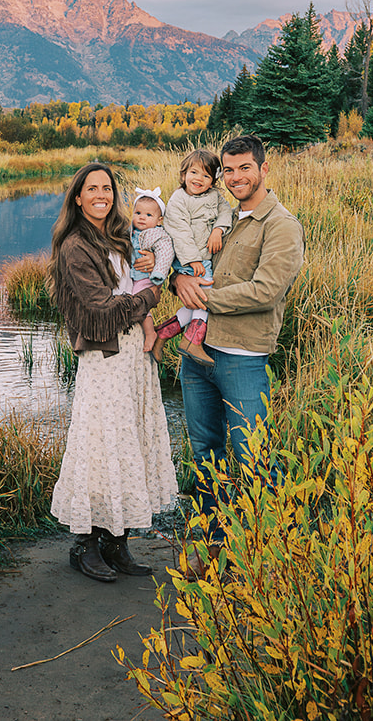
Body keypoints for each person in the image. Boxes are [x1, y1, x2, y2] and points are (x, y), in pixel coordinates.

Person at [170, 135, 304, 569]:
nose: (236, 177)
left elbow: (266, 291)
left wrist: (202, 299)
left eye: (245, 167)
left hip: (243, 358)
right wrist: (177, 281)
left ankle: (265, 553)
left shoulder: (281, 225)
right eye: (228, 170)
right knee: (205, 452)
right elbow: (180, 257)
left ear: (264, 169)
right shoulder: (216, 212)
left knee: (252, 457)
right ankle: (212, 544)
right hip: (197, 357)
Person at [48, 162, 179, 582]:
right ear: (78, 197)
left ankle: (117, 542)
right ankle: (85, 546)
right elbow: (100, 310)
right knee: (99, 444)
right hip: (104, 359)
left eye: (107, 188)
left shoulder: (124, 236)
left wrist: (160, 276)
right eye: (92, 189)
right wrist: (150, 300)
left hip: (135, 360)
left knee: (128, 443)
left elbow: (152, 268)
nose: (101, 195)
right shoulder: (74, 246)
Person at [160, 149, 234, 364]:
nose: (198, 179)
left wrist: (218, 230)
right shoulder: (178, 200)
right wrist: (193, 260)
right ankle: (193, 341)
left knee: (194, 305)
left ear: (213, 180)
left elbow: (225, 212)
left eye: (206, 175)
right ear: (184, 175)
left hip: (203, 259)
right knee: (205, 300)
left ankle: (163, 333)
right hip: (191, 262)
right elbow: (178, 232)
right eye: (194, 172)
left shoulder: (216, 197)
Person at [128, 188, 177, 357]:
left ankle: (150, 333)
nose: (142, 217)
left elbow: (165, 253)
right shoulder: (132, 231)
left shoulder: (156, 234)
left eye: (149, 215)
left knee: (138, 301)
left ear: (158, 220)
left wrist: (159, 273)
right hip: (135, 276)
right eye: (138, 213)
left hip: (148, 277)